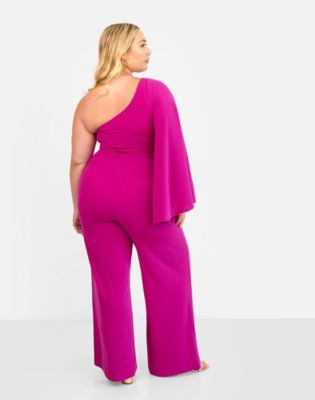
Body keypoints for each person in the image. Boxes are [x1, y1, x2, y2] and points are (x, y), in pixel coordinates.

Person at [69, 23, 209, 384]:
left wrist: (78, 207)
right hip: (144, 198)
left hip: (96, 194)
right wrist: (177, 199)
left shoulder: (87, 102)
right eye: (142, 44)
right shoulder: (154, 91)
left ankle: (120, 370)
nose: (148, 51)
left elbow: (78, 162)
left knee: (109, 283)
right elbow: (173, 147)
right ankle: (174, 360)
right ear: (122, 52)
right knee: (170, 270)